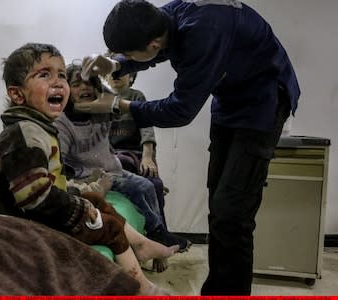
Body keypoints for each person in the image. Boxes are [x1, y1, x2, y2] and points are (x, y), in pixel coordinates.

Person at [76, 0, 300, 295]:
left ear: (153, 42)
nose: (128, 60)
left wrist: (119, 105)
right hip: (230, 101)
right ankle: (218, 288)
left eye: (130, 53)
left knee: (233, 212)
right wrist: (118, 63)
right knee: (219, 206)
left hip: (263, 102)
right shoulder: (166, 17)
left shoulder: (204, 31)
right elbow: (158, 51)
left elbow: (180, 111)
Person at [0, 43, 180, 295]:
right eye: (44, 74)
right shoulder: (24, 136)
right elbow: (36, 199)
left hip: (40, 204)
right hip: (22, 221)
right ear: (18, 95)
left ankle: (140, 244)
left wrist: (77, 192)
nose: (58, 81)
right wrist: (80, 207)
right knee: (109, 226)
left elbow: (50, 178)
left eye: (61, 74)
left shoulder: (39, 126)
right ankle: (141, 287)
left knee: (96, 198)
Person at [53, 62, 192, 262]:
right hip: (88, 173)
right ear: (66, 90)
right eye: (76, 84)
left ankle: (157, 231)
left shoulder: (102, 110)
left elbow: (116, 99)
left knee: (146, 185)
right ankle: (155, 232)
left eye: (89, 83)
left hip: (112, 166)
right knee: (138, 187)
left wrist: (102, 71)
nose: (84, 88)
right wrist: (82, 182)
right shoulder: (63, 122)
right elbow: (62, 160)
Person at [104, 55, 167, 226]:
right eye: (112, 72)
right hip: (110, 158)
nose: (116, 76)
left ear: (130, 75)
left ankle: (160, 230)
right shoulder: (100, 99)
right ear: (105, 76)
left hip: (136, 155)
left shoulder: (137, 96)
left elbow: (147, 129)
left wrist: (148, 157)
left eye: (120, 72)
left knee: (156, 184)